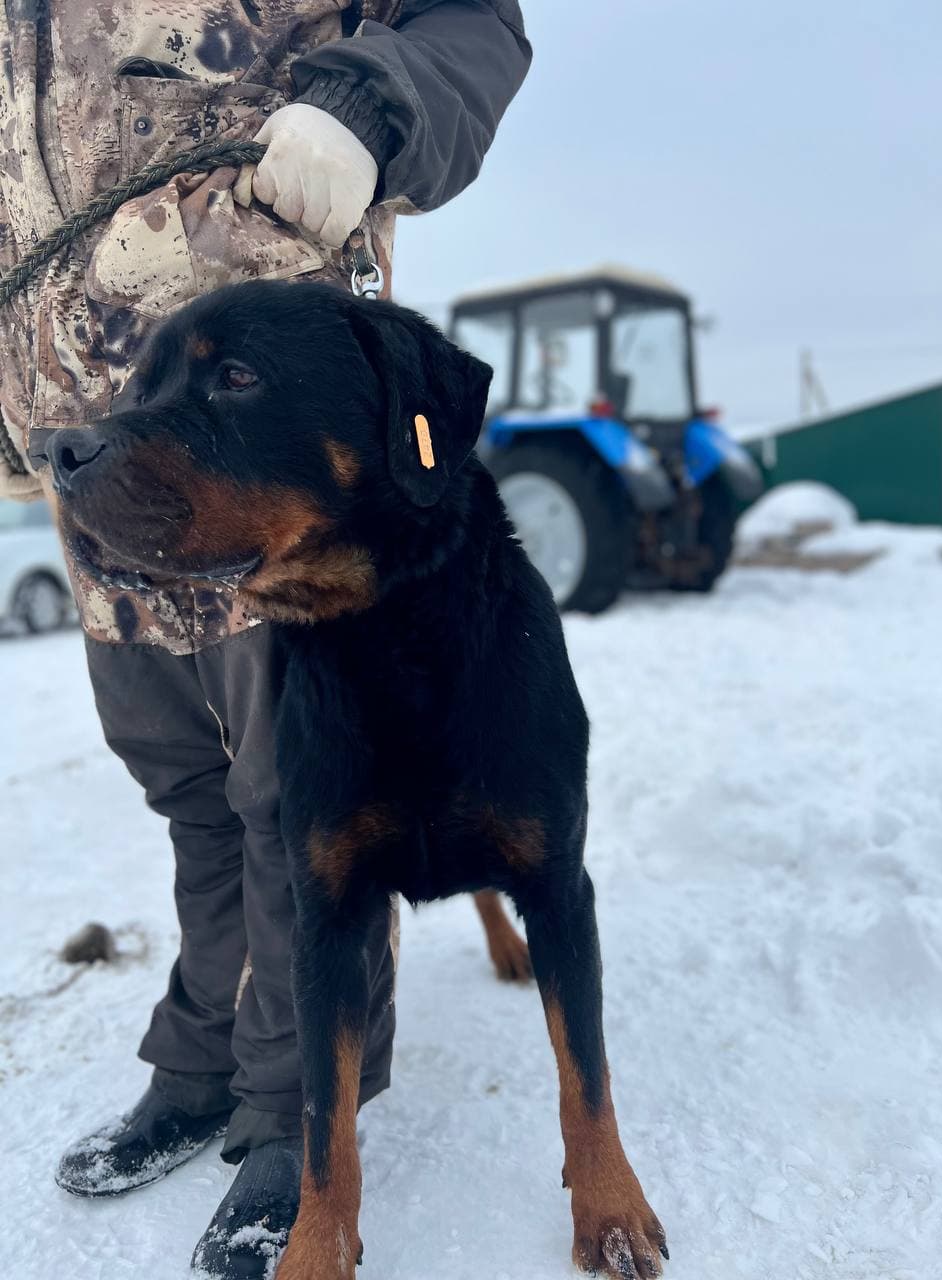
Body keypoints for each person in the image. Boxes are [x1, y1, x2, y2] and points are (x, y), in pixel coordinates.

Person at [0, 4, 530, 1276]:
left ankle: (303, 1115)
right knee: (190, 793)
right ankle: (202, 1064)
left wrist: (367, 106)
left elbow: (469, 21)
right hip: (102, 453)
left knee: (299, 803)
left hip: (268, 436)